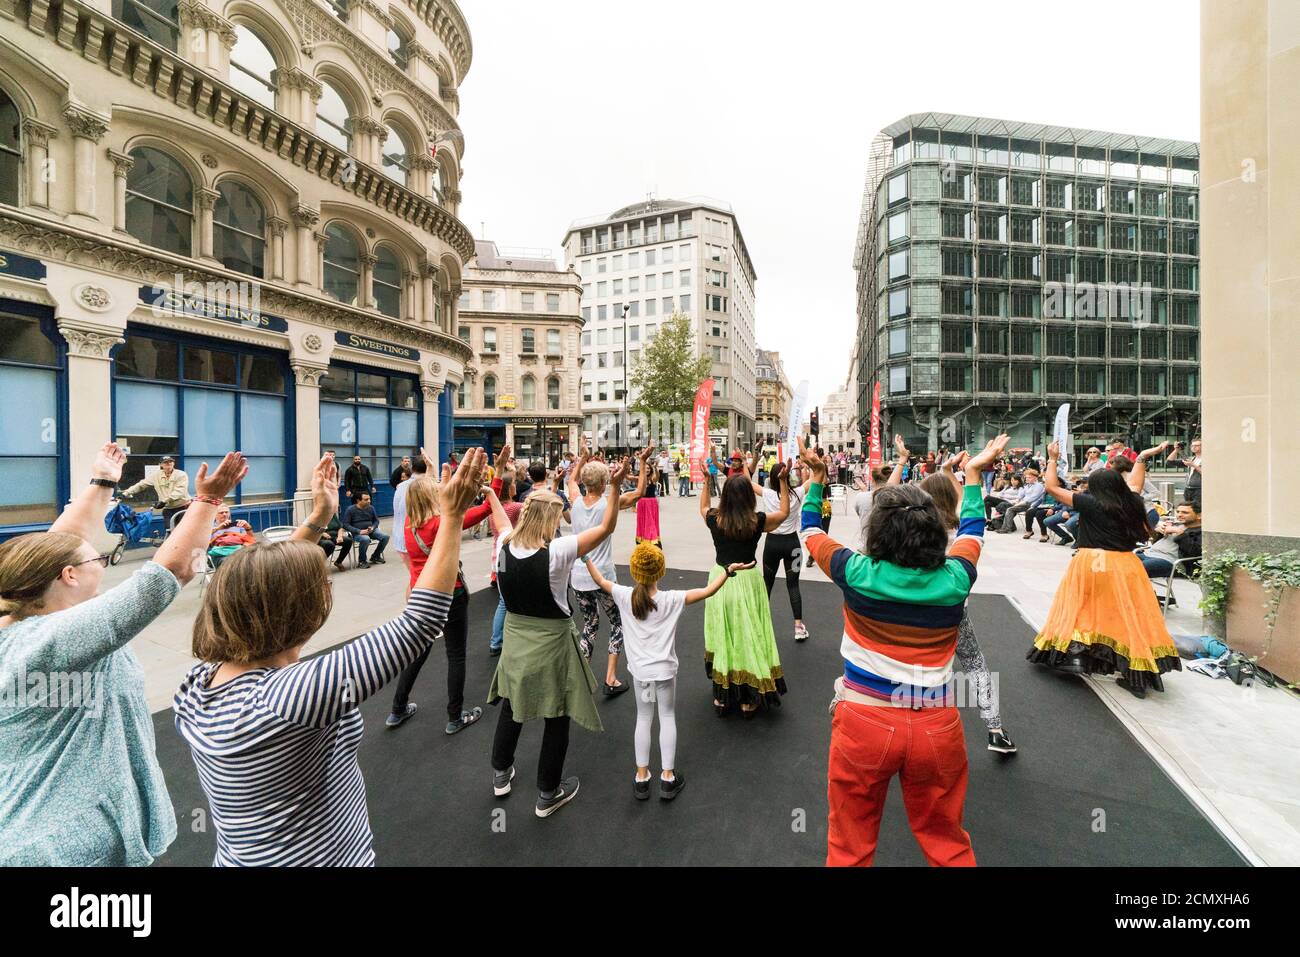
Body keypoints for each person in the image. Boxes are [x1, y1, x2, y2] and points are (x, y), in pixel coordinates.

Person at [174, 450, 486, 865]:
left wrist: (321, 513)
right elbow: (420, 623)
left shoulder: (198, 685)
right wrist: (451, 517)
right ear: (297, 612)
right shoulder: (287, 697)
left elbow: (260, 584)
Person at [0, 443, 246, 866]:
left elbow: (56, 545)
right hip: (64, 847)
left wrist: (102, 482)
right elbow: (172, 571)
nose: (100, 559)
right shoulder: (60, 638)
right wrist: (208, 501)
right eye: (95, 556)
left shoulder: (14, 609)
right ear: (69, 576)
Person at [798, 432, 1008, 867]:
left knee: (849, 845)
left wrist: (817, 480)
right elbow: (972, 529)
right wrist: (971, 475)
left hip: (864, 721)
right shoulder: (956, 578)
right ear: (934, 532)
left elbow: (811, 529)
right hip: (937, 724)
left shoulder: (855, 571)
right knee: (947, 842)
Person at [488, 461, 629, 818]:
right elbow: (607, 526)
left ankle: (501, 773)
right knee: (557, 713)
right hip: (550, 643)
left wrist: (489, 491)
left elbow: (501, 521)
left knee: (511, 704)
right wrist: (615, 486)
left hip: (516, 642)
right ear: (550, 520)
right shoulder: (558, 551)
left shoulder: (505, 543)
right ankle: (547, 793)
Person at [584, 544, 751, 801]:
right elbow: (707, 591)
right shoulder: (672, 599)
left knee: (643, 718)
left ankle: (642, 778)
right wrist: (727, 572)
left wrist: (584, 556)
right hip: (664, 673)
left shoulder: (623, 595)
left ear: (634, 571)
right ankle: (667, 778)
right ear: (660, 572)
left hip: (641, 674)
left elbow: (599, 580)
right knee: (667, 716)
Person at [1028, 442, 1181, 698]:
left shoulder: (1090, 503)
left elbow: (1052, 487)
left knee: (1081, 609)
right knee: (1129, 616)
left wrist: (1052, 458)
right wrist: (1142, 457)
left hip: (1093, 562)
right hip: (1127, 565)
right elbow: (1136, 484)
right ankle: (1136, 673)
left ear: (1096, 488)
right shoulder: (1132, 500)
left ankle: (1077, 656)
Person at [387, 445, 512, 733]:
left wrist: (431, 472)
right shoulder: (443, 524)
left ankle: (397, 709)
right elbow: (483, 509)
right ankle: (455, 717)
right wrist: (497, 477)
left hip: (420, 595)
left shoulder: (409, 524)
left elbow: (426, 494)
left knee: (417, 652)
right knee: (456, 655)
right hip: (450, 594)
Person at [920, 472, 1017, 754]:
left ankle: (921, 727)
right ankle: (995, 730)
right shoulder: (960, 528)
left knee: (920, 666)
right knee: (975, 664)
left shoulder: (917, 531)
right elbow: (969, 504)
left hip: (921, 607)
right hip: (955, 610)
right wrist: (969, 474)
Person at [700, 447, 790, 715]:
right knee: (749, 634)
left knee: (724, 634)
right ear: (750, 497)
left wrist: (707, 480)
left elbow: (703, 506)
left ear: (725, 497)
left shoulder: (716, 519)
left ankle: (723, 694)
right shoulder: (757, 521)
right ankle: (748, 696)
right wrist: (783, 482)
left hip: (720, 580)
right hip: (749, 580)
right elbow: (784, 513)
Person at [569, 445, 652, 695]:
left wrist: (582, 457)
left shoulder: (574, 500)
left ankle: (581, 678)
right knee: (618, 624)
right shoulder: (609, 504)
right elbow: (639, 492)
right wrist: (643, 462)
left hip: (579, 575)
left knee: (589, 624)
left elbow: (572, 480)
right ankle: (610, 678)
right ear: (605, 481)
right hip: (603, 576)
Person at [759, 462, 810, 642]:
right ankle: (798, 626)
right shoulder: (797, 493)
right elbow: (813, 479)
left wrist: (744, 464)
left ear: (771, 478)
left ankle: (759, 625)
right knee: (793, 585)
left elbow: (746, 481)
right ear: (787, 476)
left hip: (772, 543)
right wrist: (804, 467)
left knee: (767, 584)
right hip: (792, 544)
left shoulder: (768, 494)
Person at [487, 470, 525, 657]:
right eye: (514, 483)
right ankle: (505, 639)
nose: (516, 486)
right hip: (513, 555)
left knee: (503, 600)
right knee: (512, 599)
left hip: (498, 555)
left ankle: (496, 641)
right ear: (509, 488)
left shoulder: (493, 510)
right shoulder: (516, 507)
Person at [120, 455, 192, 531]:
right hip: (168, 508)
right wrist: (126, 493)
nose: (169, 464)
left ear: (174, 463)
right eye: (166, 462)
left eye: (171, 462)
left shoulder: (181, 474)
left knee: (184, 531)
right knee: (169, 530)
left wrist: (164, 501)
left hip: (182, 507)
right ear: (161, 465)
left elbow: (180, 491)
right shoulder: (156, 475)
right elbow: (141, 485)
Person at [1137, 501, 1202, 581]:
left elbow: (1195, 553)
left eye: (1185, 512)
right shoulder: (1176, 525)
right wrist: (1157, 532)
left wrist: (1180, 533)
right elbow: (1159, 543)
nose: (1179, 515)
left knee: (1135, 569)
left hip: (1171, 561)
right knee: (1119, 561)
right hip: (1149, 554)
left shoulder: (1201, 532)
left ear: (1199, 516)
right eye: (1178, 512)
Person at [342, 492, 387, 567]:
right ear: (358, 500)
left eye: (369, 499)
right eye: (366, 499)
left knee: (385, 537)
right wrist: (359, 531)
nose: (369, 501)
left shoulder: (371, 508)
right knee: (366, 539)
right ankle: (362, 561)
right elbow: (345, 525)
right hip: (357, 533)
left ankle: (375, 556)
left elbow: (376, 521)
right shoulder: (350, 510)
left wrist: (372, 527)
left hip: (371, 530)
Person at [996, 469, 1044, 533]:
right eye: (1026, 477)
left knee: (1009, 509)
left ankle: (1007, 528)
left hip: (1032, 504)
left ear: (1035, 478)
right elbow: (1020, 496)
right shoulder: (1027, 486)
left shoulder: (1039, 486)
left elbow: (1033, 498)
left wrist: (1020, 502)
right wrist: (1017, 500)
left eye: (1029, 477)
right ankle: (1005, 527)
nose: (1027, 479)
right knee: (1007, 507)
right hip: (1024, 503)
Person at [1168, 438, 1202, 509]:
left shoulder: (1207, 459)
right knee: (1188, 509)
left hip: (1199, 489)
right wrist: (1176, 450)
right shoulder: (1191, 459)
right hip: (1188, 490)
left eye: (1197, 445)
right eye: (1192, 445)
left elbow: (1209, 474)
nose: (1194, 447)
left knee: (1198, 510)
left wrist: (1193, 465)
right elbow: (1170, 461)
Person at [317, 504, 353, 569]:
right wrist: (322, 533)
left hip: (334, 536)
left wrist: (340, 536)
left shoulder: (332, 515)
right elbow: (312, 528)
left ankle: (339, 561)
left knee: (348, 541)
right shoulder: (317, 515)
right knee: (329, 544)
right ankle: (318, 564)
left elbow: (340, 527)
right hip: (321, 538)